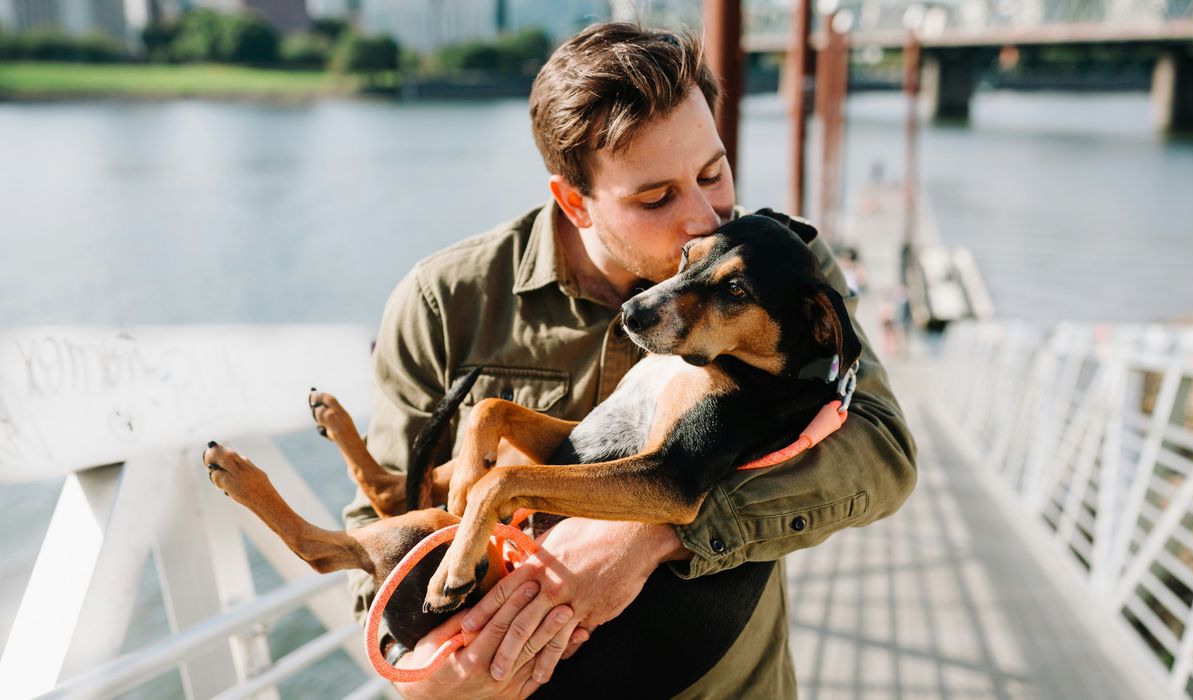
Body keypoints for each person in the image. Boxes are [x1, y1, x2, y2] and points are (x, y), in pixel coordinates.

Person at [343, 22, 917, 698]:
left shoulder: (779, 268)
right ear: (574, 202)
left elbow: (882, 455)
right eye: (656, 198)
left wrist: (657, 531)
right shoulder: (443, 303)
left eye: (713, 172)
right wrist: (429, 672)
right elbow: (373, 548)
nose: (705, 218)